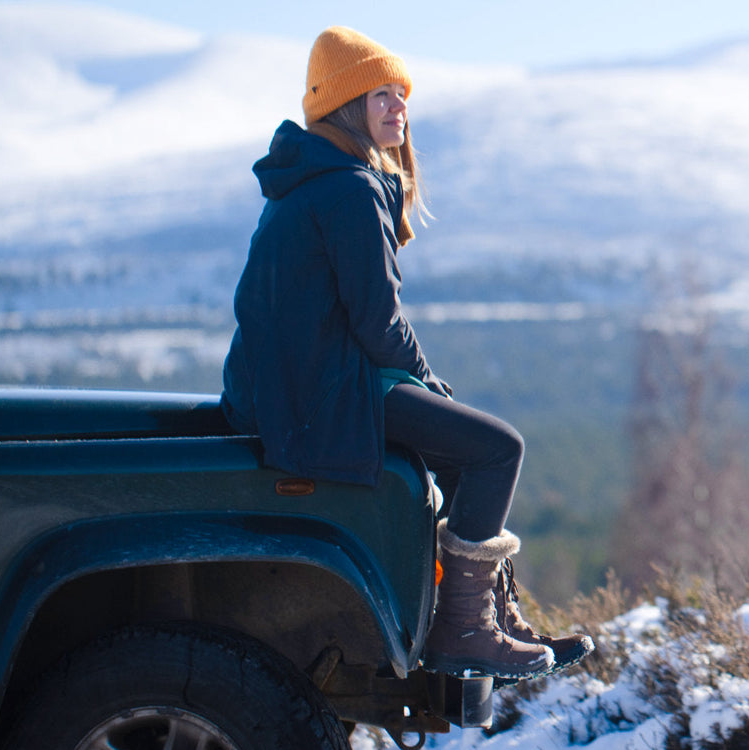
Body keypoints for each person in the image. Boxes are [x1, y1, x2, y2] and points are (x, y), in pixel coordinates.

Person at [220, 26, 591, 680]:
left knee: (459, 450)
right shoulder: (349, 188)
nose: (398, 108)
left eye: (402, 95)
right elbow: (377, 321)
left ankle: (491, 621)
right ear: (342, 104)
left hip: (297, 389)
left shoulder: (314, 179)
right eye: (379, 94)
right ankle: (464, 630)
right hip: (323, 395)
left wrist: (418, 385)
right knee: (497, 448)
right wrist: (426, 382)